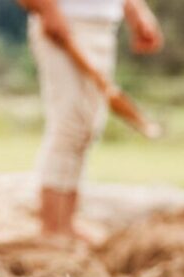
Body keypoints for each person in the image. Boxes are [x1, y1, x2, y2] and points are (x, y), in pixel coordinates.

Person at [19, 0, 162, 242]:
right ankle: (52, 226)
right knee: (69, 126)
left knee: (87, 128)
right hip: (67, 24)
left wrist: (136, 11)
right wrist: (48, 9)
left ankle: (66, 223)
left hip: (103, 26)